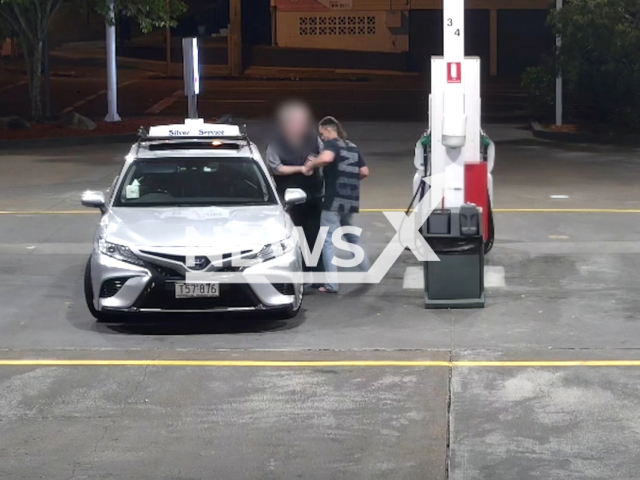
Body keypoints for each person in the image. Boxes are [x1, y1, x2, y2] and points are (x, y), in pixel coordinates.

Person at [303, 116, 370, 293]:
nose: (321, 138)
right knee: (352, 238)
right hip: (350, 200)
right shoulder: (352, 147)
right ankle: (367, 272)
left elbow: (326, 158)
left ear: (329, 130)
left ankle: (332, 284)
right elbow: (364, 171)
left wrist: (311, 165)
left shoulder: (332, 144)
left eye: (322, 134)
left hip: (333, 201)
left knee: (327, 241)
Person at [265, 101, 324, 273]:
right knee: (294, 235)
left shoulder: (312, 138)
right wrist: (301, 168)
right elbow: (276, 168)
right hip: (290, 199)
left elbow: (324, 155)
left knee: (314, 233)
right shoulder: (276, 144)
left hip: (313, 196)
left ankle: (317, 270)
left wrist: (315, 163)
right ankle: (300, 270)